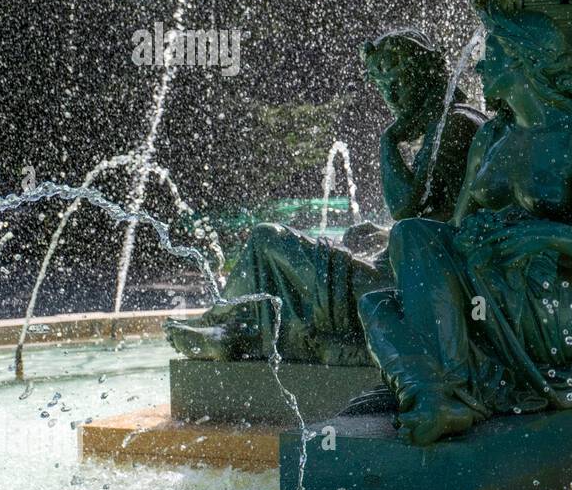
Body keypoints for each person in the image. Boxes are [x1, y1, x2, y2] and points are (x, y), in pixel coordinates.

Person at [357, 8, 572, 443]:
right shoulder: (489, 137)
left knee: (405, 289)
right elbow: (457, 224)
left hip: (546, 297)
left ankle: (440, 391)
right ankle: (439, 390)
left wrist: (539, 234)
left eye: (494, 55)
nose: (481, 65)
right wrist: (475, 237)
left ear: (526, 61)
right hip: (488, 276)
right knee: (379, 298)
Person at [166, 27, 483, 365]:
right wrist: (386, 233)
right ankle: (233, 328)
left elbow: (405, 207)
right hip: (411, 279)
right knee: (307, 249)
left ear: (429, 72)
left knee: (266, 239)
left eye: (398, 82)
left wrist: (388, 142)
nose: (391, 96)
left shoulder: (454, 126)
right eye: (382, 86)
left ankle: (225, 330)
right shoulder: (460, 120)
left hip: (397, 291)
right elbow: (445, 215)